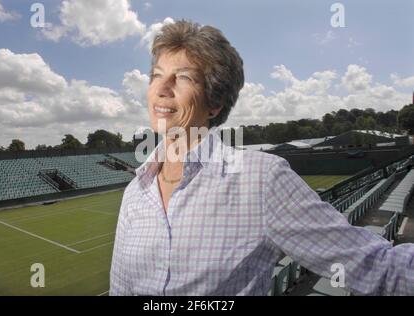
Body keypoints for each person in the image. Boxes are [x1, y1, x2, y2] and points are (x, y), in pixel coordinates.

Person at [110, 20, 414, 295]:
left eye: (183, 78)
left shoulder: (260, 179)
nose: (161, 89)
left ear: (214, 103)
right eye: (156, 76)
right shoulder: (135, 192)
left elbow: (376, 266)